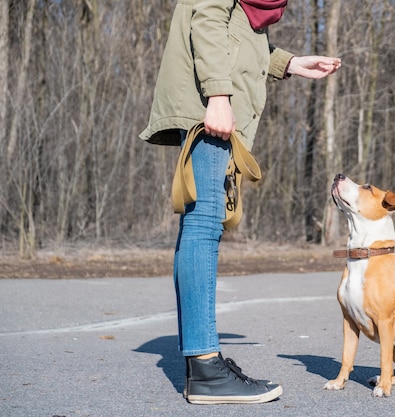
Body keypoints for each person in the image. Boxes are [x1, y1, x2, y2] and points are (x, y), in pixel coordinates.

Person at [139, 0, 341, 405]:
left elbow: (239, 36)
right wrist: (218, 93)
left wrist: (289, 63)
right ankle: (206, 368)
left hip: (211, 97)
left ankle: (204, 362)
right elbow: (207, 16)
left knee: (203, 222)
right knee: (203, 222)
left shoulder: (252, 11)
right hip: (207, 102)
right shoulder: (216, 80)